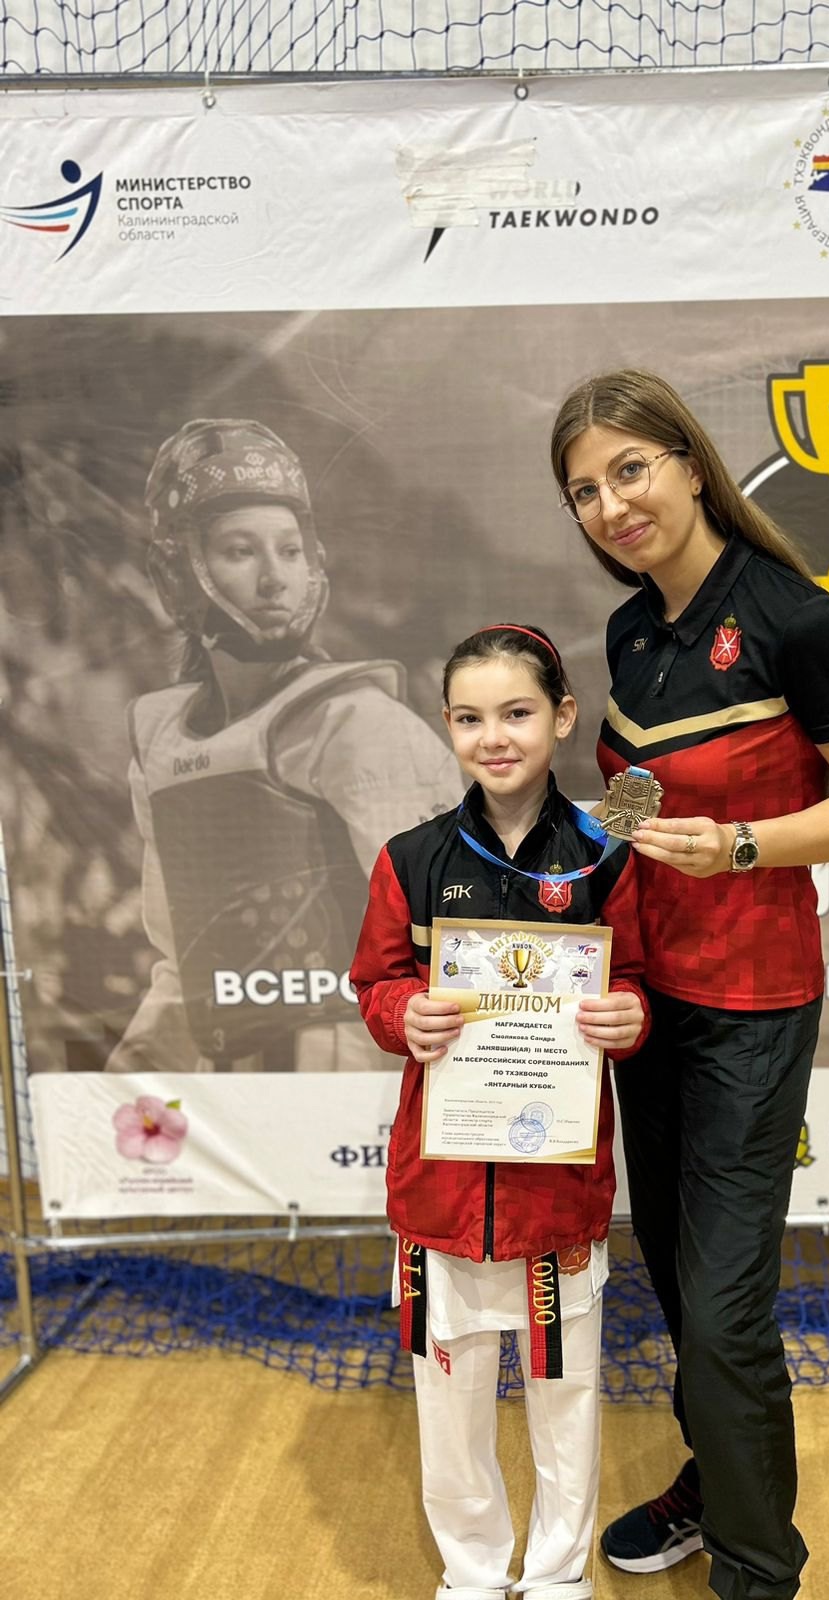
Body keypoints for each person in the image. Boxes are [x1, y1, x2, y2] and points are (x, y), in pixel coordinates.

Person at [550, 370, 829, 1600]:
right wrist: (565, 877)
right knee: (673, 1269)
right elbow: (636, 797)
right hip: (648, 1001)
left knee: (722, 1309)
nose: (613, 505)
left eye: (630, 470)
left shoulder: (793, 618)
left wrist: (743, 845)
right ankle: (716, 1482)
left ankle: (760, 1571)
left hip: (754, 1005)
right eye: (585, 491)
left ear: (690, 465)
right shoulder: (631, 632)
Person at [350, 623, 649, 1600]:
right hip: (439, 1192)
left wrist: (629, 1014)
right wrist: (404, 1013)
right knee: (449, 1401)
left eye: (517, 712)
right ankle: (473, 1572)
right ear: (447, 726)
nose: (495, 736)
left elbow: (640, 981)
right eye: (470, 718)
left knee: (566, 1396)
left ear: (562, 717)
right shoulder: (410, 858)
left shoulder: (607, 855)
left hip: (555, 1191)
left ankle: (558, 1573)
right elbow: (375, 984)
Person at [105, 417, 461, 1073]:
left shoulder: (357, 725)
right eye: (241, 551)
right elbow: (182, 965)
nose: (275, 579)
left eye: (290, 551)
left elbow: (450, 938)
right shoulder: (160, 742)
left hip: (356, 1081)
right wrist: (124, 1088)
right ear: (176, 570)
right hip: (234, 1093)